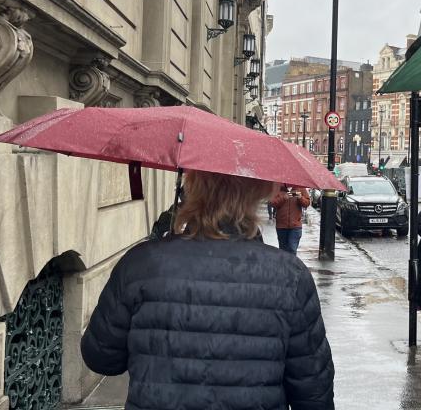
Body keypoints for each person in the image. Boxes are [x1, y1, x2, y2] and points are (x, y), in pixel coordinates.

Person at [81, 170, 334, 409]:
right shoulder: (290, 276)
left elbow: (101, 357)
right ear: (259, 193)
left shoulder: (141, 264)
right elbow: (313, 393)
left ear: (190, 187)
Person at [270, 184, 311, 253]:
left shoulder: (300, 188)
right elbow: (272, 203)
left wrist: (300, 197)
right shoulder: (278, 188)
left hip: (295, 226)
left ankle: (291, 263)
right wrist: (284, 198)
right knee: (283, 250)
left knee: (292, 249)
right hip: (281, 226)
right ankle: (284, 264)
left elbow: (307, 203)